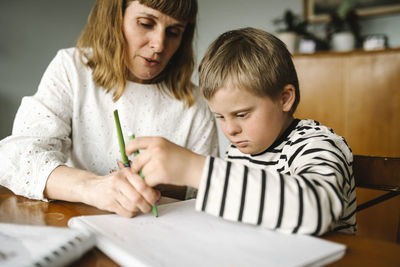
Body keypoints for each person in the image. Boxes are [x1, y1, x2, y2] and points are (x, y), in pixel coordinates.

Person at [125, 27, 357, 235]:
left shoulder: (317, 144)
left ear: (284, 98)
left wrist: (193, 168)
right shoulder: (238, 154)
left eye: (242, 114)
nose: (230, 130)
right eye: (220, 117)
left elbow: (317, 210)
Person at [0, 0, 218, 218]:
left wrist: (170, 181)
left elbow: (214, 190)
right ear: (115, 18)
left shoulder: (196, 102)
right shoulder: (72, 68)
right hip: (75, 222)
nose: (159, 44)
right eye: (145, 23)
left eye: (173, 32)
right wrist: (93, 187)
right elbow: (15, 158)